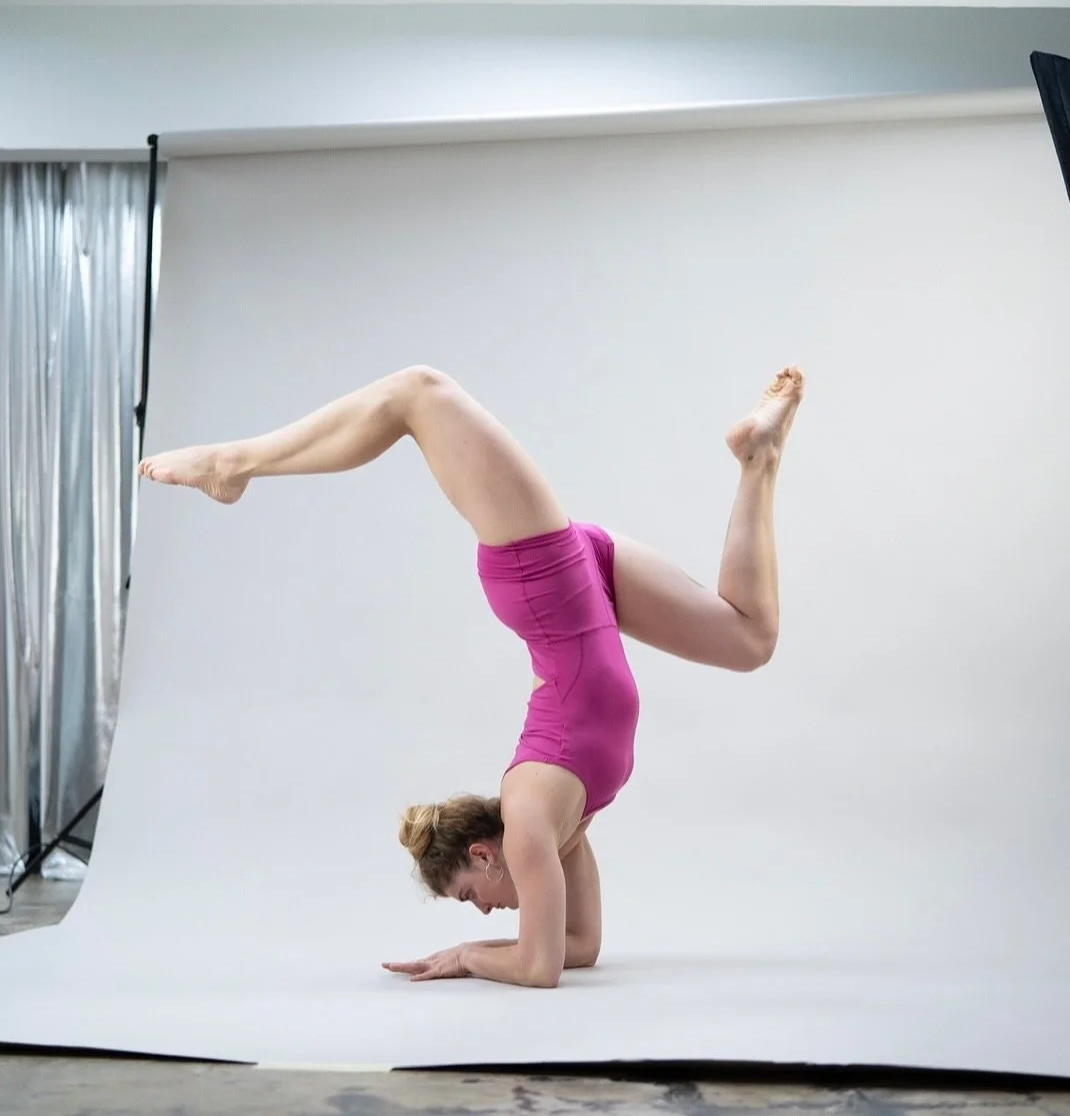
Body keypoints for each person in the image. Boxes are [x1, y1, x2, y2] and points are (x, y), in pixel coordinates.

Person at [139, 363, 803, 988]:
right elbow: (575, 950)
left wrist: (469, 957)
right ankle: (757, 458)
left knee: (418, 391)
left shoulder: (531, 813)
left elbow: (536, 965)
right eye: (469, 912)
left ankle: (234, 462)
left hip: (545, 583)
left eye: (467, 896)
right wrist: (491, 956)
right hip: (581, 581)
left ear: (485, 855)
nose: (484, 915)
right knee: (747, 639)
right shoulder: (558, 827)